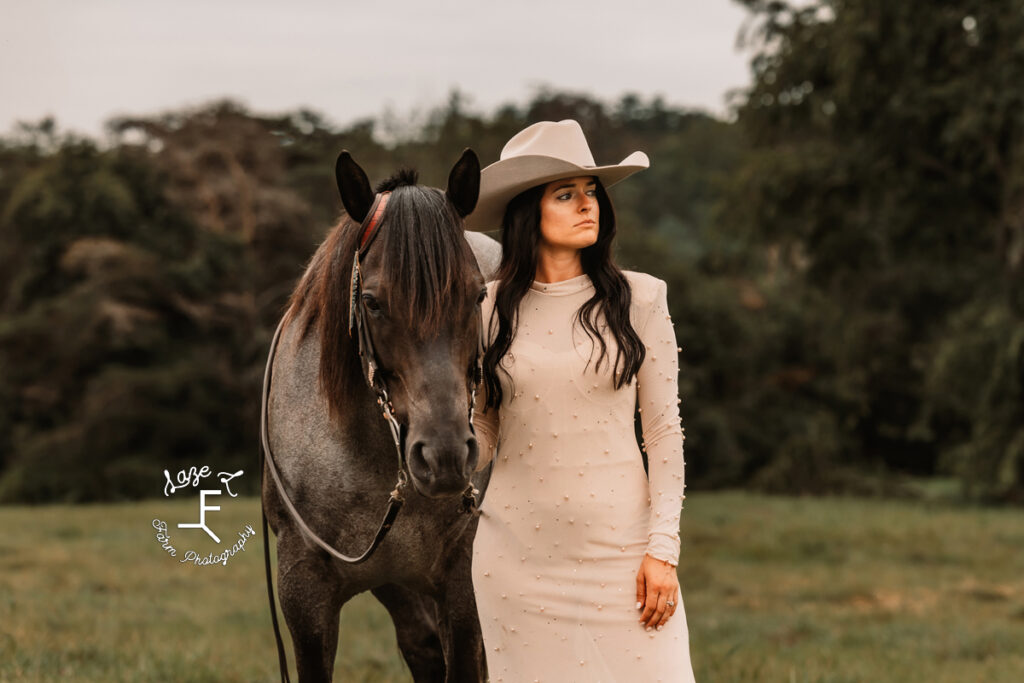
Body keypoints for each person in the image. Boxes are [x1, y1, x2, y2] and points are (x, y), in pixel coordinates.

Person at [464, 119, 695, 682]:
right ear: (527, 212)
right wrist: (438, 455)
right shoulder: (486, 310)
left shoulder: (641, 298)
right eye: (565, 195)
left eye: (590, 192)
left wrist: (663, 549)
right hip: (515, 562)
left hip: (626, 555)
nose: (587, 205)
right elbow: (485, 427)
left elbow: (663, 433)